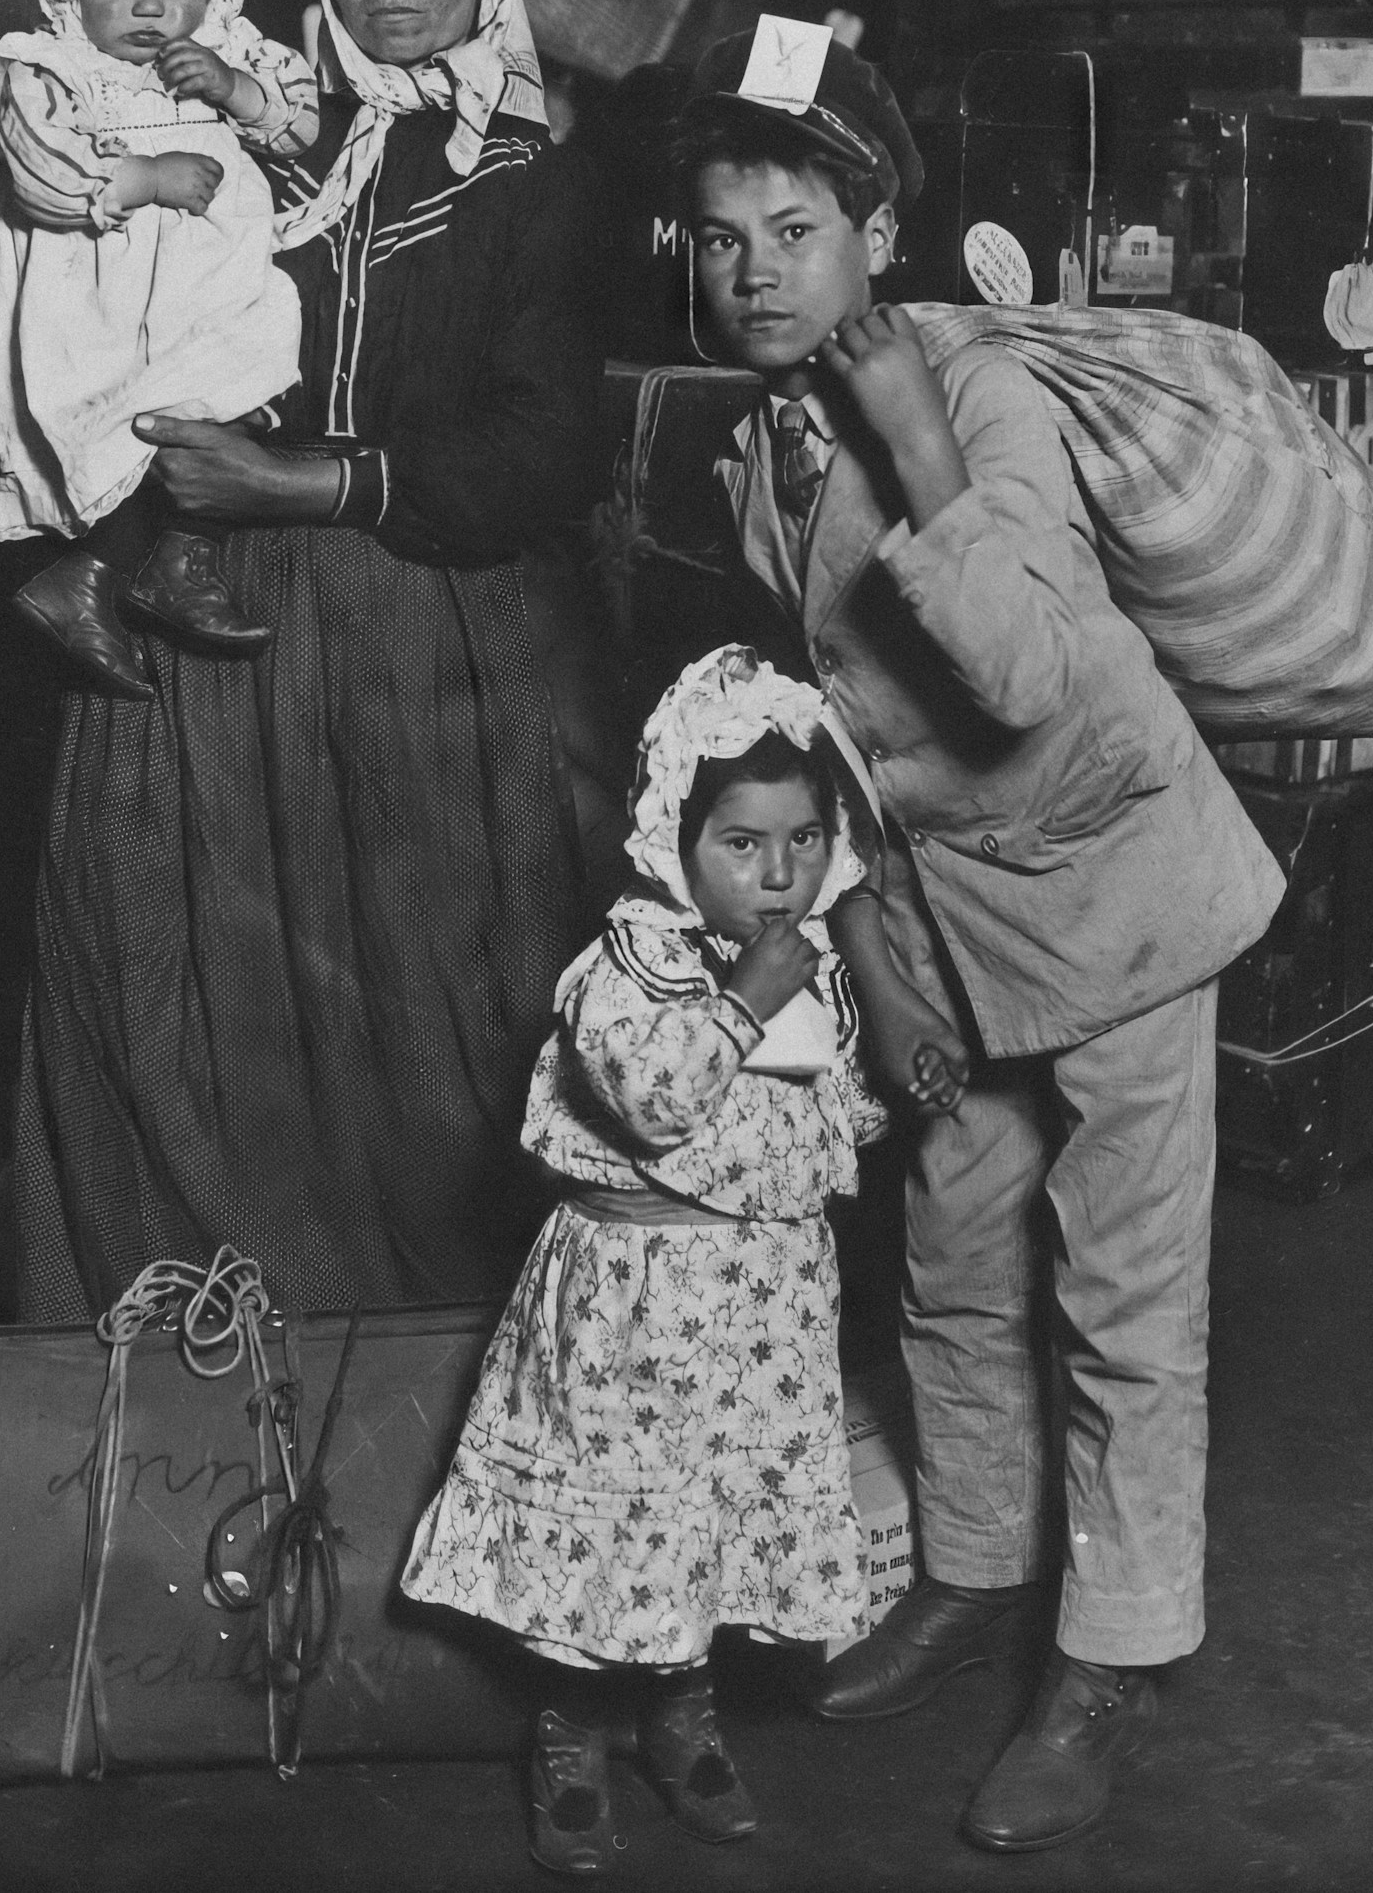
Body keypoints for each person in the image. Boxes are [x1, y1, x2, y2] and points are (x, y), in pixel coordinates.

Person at [671, 20, 1287, 1855]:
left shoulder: (984, 390)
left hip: (1114, 891)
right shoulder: (755, 449)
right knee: (949, 1258)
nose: (758, 268)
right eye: (721, 237)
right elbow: (830, 736)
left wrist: (919, 430)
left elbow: (1014, 665)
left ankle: (1109, 1647)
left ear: (877, 231)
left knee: (1121, 1296)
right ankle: (970, 1568)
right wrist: (871, 963)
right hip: (942, 919)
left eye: (795, 225)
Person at [12, 0, 604, 1323]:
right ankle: (212, 1364)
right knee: (185, 996)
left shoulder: (539, 176)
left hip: (434, 646)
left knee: (440, 1029)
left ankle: (445, 1386)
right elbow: (81, 195)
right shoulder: (264, 134)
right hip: (224, 633)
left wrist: (301, 479)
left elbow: (545, 451)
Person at [401, 645, 962, 1878]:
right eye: (743, 844)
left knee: (707, 1519)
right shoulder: (627, 967)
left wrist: (891, 1083)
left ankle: (680, 1707)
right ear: (673, 839)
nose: (780, 874)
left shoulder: (815, 968)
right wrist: (745, 1002)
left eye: (805, 840)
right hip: (631, 1309)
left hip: (759, 1311)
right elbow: (653, 1098)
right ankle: (572, 1726)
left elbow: (820, 1125)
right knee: (618, 1523)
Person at [0, 0, 320, 693]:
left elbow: (305, 124)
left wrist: (235, 91)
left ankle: (172, 560)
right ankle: (87, 569)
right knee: (130, 430)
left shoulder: (228, 53)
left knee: (246, 386)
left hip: (215, 292)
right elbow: (42, 174)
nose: (152, 5)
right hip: (102, 302)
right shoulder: (46, 70)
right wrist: (143, 176)